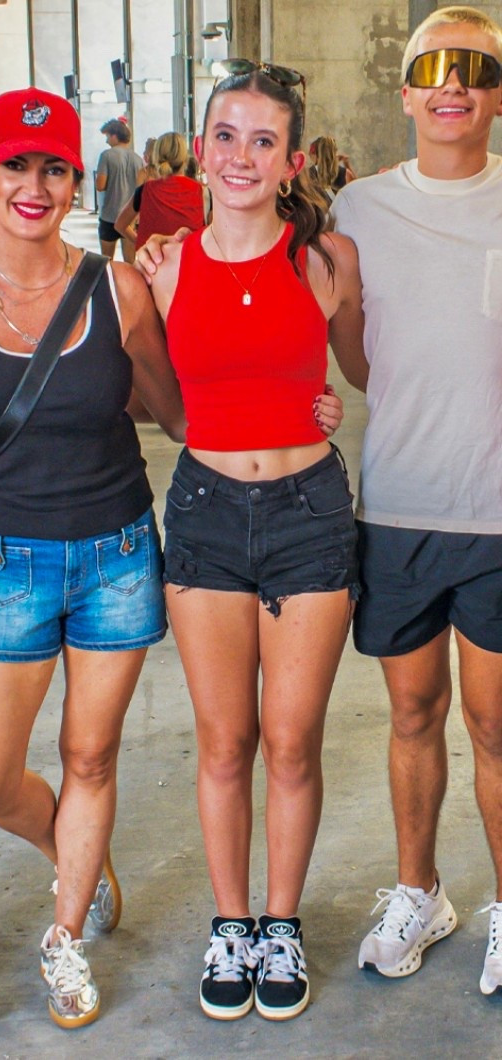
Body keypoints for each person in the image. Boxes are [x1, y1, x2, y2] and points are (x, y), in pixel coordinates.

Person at [0, 86, 189, 1029]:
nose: (33, 186)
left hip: (117, 552)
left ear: (77, 182)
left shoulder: (119, 290)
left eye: (53, 169)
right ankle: (72, 850)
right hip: (7, 560)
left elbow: (175, 413)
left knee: (90, 753)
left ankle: (66, 933)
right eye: (15, 167)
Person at [137, 59, 367, 1022]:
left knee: (291, 741)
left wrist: (330, 402)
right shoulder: (162, 268)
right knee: (226, 742)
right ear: (201, 149)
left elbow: (363, 369)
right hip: (205, 512)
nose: (241, 156)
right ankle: (232, 924)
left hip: (309, 512)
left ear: (292, 161)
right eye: (226, 136)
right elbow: (151, 397)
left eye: (263, 140)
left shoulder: (327, 261)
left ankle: (282, 922)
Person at [328, 5, 502, 996]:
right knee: (409, 712)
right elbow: (360, 362)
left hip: (496, 513)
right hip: (397, 506)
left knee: (492, 725)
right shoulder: (358, 210)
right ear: (404, 93)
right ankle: (418, 892)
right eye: (434, 69)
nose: (453, 86)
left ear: (495, 96)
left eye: (474, 70)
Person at [114, 131, 206, 250]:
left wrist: (141, 242)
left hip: (153, 258)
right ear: (185, 159)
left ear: (156, 157)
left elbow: (120, 225)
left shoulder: (145, 191)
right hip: (189, 258)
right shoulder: (201, 191)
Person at [95, 118, 143, 262]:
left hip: (110, 215)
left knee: (107, 261)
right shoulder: (138, 159)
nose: (106, 141)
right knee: (130, 263)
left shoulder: (106, 156)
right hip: (130, 218)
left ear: (115, 136)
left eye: (107, 136)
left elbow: (100, 185)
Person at [309, 135, 356, 199]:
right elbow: (357, 191)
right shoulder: (345, 174)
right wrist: (347, 164)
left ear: (317, 153)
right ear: (334, 153)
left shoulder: (306, 175)